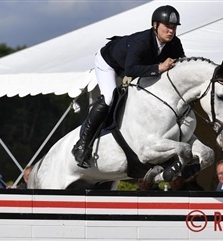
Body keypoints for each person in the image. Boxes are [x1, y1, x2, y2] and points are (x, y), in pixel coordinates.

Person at [72, 5, 185, 168]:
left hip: (132, 67)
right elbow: (130, 69)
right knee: (110, 97)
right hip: (109, 63)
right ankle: (82, 146)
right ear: (155, 25)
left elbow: (181, 65)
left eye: (173, 27)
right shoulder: (142, 42)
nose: (171, 31)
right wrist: (159, 68)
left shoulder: (175, 44)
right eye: (167, 26)